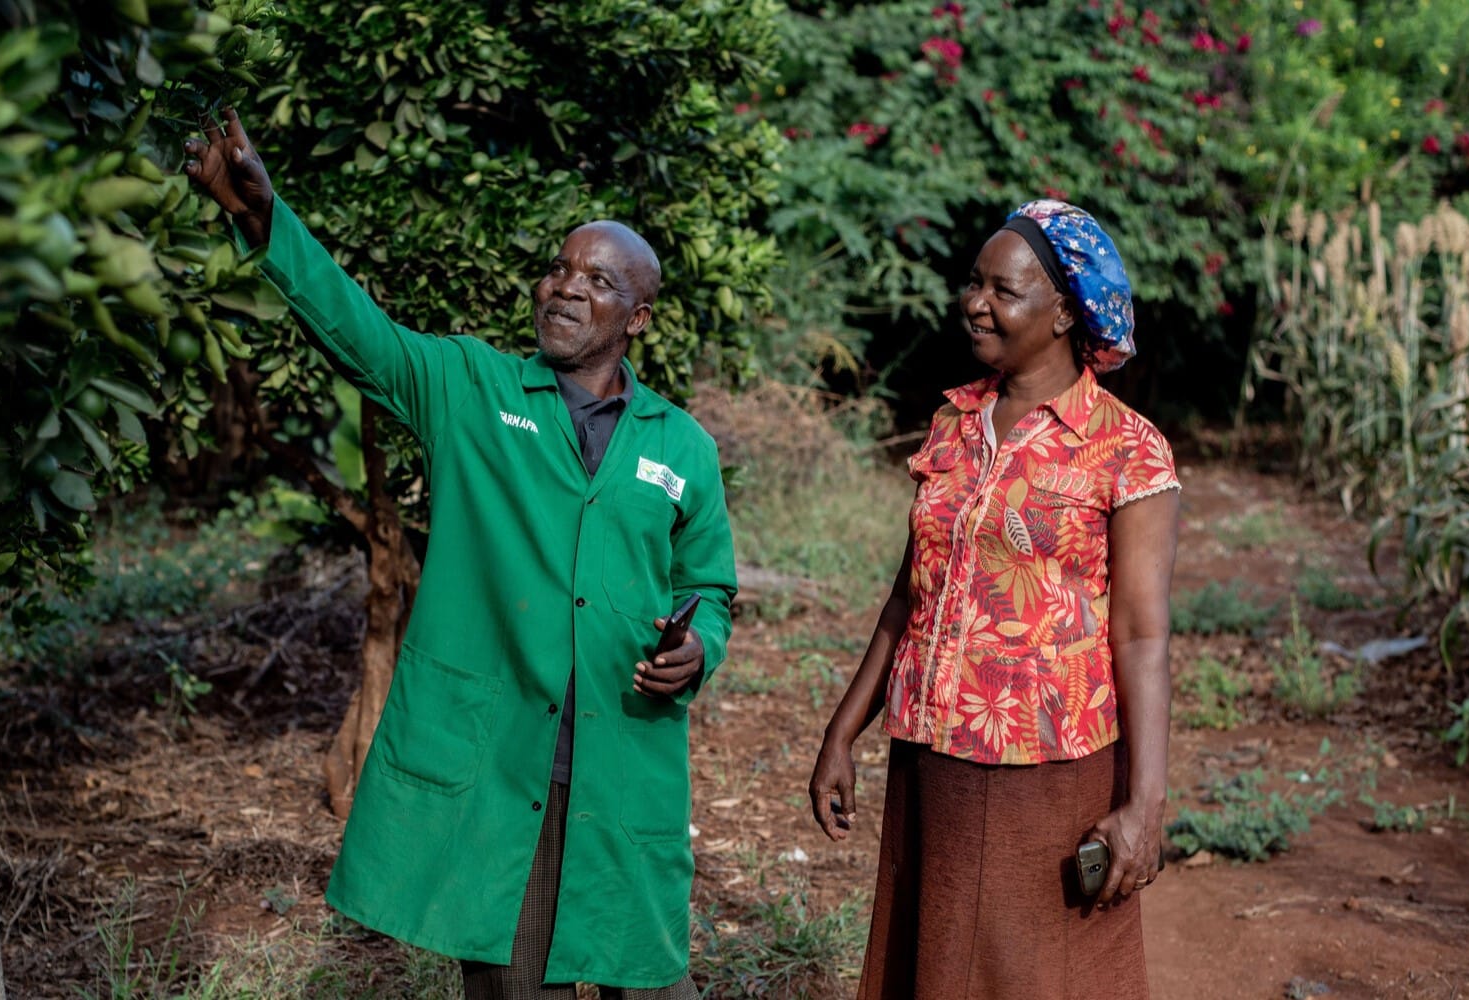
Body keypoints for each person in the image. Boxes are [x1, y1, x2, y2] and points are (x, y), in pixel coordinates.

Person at [183, 109, 736, 999]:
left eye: (595, 279)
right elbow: (360, 336)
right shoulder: (472, 389)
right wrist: (264, 220)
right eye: (558, 266)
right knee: (515, 983)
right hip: (504, 765)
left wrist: (697, 644)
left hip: (625, 762)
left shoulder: (683, 447)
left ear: (637, 317)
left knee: (644, 972)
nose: (562, 286)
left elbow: (707, 583)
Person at [808, 200, 1180, 999]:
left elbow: (1143, 635)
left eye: (1002, 290)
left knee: (1036, 971)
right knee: (933, 959)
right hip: (931, 753)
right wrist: (844, 731)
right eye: (972, 283)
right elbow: (909, 594)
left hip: (1046, 768)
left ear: (1063, 314)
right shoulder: (953, 422)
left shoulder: (1125, 448)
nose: (975, 302)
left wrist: (1144, 804)